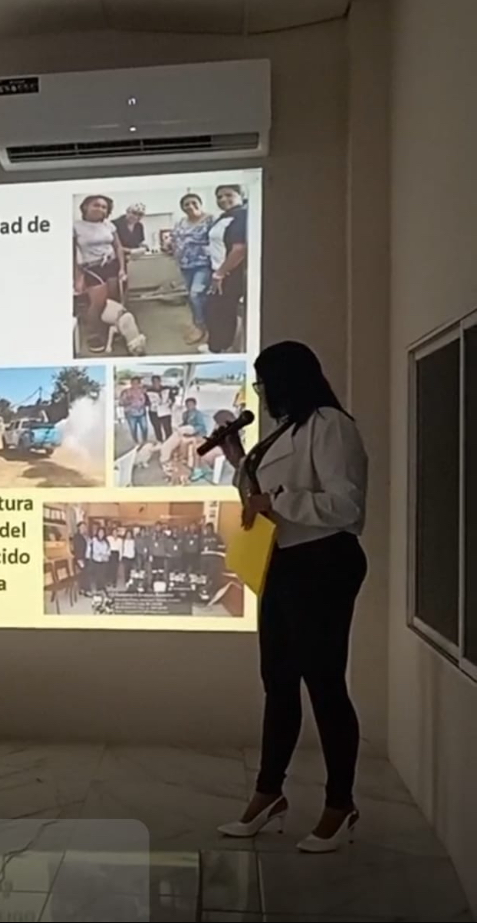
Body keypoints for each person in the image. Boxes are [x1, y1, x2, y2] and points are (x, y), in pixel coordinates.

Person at [217, 341, 368, 854]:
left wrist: (275, 500)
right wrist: (237, 459)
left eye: (264, 384)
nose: (261, 395)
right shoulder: (285, 430)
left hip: (325, 565)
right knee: (278, 682)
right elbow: (259, 499)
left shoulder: (330, 425)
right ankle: (269, 794)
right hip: (282, 563)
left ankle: (340, 805)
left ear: (288, 380)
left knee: (324, 685)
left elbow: (346, 506)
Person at [73, 195, 126, 353]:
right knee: (97, 304)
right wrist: (77, 277)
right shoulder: (76, 226)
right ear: (85, 207)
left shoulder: (109, 225)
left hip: (112, 264)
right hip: (92, 267)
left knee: (113, 301)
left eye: (104, 207)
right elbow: (70, 253)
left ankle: (111, 330)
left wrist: (122, 269)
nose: (100, 209)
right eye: (96, 205)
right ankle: (93, 335)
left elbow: (118, 247)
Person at [205, 185, 248, 354]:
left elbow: (239, 249)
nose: (223, 199)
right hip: (218, 271)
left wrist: (220, 273)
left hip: (229, 273)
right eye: (219, 196)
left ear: (240, 195)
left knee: (221, 313)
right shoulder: (224, 217)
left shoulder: (241, 216)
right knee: (216, 311)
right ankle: (219, 346)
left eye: (229, 195)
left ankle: (218, 349)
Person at [168, 193, 214, 346]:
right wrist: (172, 248)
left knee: (196, 294)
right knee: (192, 296)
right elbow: (174, 238)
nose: (190, 206)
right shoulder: (181, 222)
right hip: (185, 264)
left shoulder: (210, 219)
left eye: (193, 202)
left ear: (200, 203)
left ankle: (202, 326)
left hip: (203, 263)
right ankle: (198, 324)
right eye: (186, 204)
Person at [159, 397, 207, 470]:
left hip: (197, 433)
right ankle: (165, 455)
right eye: (187, 405)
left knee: (182, 439)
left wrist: (192, 430)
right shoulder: (185, 414)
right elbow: (184, 423)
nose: (189, 406)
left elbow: (201, 426)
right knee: (175, 436)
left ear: (195, 405)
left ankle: (178, 458)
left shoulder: (198, 414)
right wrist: (181, 427)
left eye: (191, 404)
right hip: (186, 432)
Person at [119, 376, 148, 445]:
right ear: (131, 383)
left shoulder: (143, 391)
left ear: (139, 384)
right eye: (133, 383)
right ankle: (136, 442)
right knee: (133, 429)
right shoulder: (126, 392)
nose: (135, 385)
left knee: (145, 428)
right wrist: (128, 401)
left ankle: (144, 441)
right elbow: (121, 403)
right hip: (130, 414)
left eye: (137, 383)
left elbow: (148, 400)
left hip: (142, 413)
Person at [145, 375, 174, 443]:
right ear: (152, 382)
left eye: (157, 381)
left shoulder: (167, 389)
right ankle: (160, 442)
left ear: (160, 381)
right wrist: (150, 403)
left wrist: (170, 403)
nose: (156, 383)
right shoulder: (148, 391)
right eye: (154, 381)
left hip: (165, 411)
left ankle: (170, 442)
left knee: (168, 428)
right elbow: (146, 402)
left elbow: (173, 399)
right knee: (157, 428)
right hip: (154, 412)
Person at [90, 527, 111, 593]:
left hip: (104, 560)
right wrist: (102, 555)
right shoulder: (95, 540)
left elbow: (108, 549)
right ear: (98, 533)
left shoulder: (106, 541)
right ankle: (98, 588)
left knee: (103, 574)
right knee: (98, 575)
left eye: (102, 532)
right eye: (100, 532)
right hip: (97, 560)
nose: (101, 534)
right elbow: (95, 550)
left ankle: (102, 586)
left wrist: (107, 555)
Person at [72, 521, 90, 597]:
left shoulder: (84, 536)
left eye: (85, 527)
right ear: (79, 528)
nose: (84, 528)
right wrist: (79, 560)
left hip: (85, 557)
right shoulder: (77, 537)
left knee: (85, 574)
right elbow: (77, 549)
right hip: (80, 558)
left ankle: (83, 589)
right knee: (84, 575)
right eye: (82, 527)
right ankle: (84, 590)